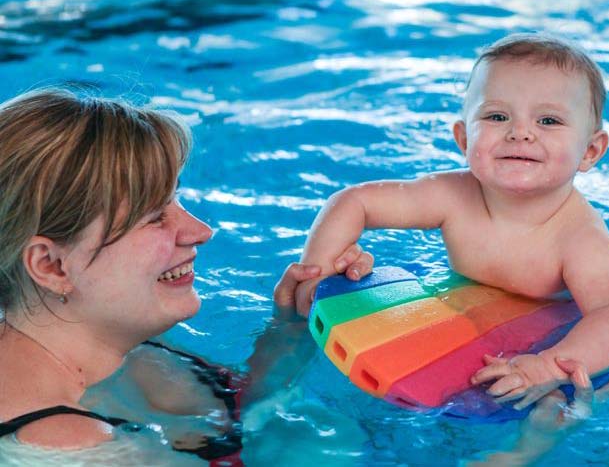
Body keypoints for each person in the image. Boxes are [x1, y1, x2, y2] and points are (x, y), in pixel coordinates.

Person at [0, 87, 374, 461]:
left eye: (175, 200)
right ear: (51, 265)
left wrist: (294, 325)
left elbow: (246, 414)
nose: (201, 231)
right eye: (154, 217)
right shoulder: (72, 449)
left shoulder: (107, 334)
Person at [286, 33, 609, 409]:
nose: (520, 132)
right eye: (497, 116)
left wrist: (546, 367)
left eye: (548, 120)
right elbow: (353, 201)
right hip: (469, 315)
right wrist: (319, 273)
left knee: (552, 407)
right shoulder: (452, 196)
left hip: (557, 332)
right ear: (463, 138)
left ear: (590, 151)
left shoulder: (578, 237)